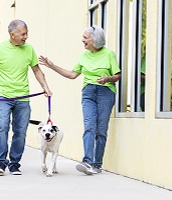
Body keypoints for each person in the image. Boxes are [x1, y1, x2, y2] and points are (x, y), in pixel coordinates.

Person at [39, 26, 121, 175]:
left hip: (105, 92)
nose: (82, 40)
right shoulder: (84, 56)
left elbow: (117, 75)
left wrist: (107, 79)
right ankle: (87, 161)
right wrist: (51, 66)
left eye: (85, 37)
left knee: (101, 130)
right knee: (89, 126)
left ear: (95, 40)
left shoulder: (109, 54)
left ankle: (97, 164)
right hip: (88, 92)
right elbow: (71, 74)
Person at [0, 19, 52, 176]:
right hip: (3, 96)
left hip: (23, 97)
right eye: (23, 34)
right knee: (2, 127)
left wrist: (45, 88)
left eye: (27, 33)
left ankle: (14, 163)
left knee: (20, 131)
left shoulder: (29, 49)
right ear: (12, 34)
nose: (26, 37)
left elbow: (37, 70)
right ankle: (0, 162)